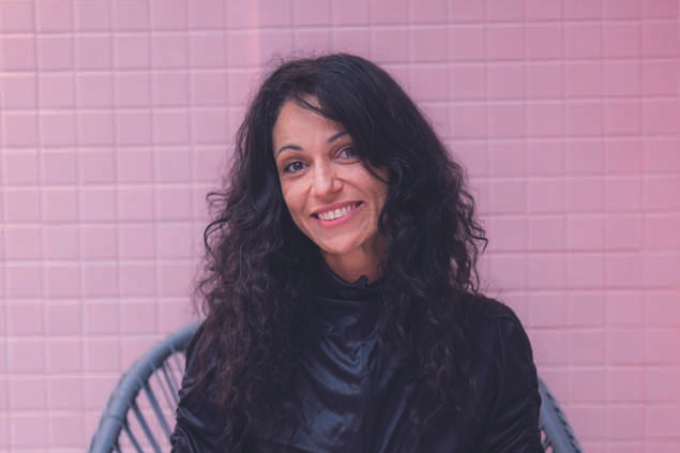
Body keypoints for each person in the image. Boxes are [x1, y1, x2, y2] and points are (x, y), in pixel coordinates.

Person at [170, 53, 542, 453]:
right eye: (295, 165)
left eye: (346, 151)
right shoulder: (232, 346)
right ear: (275, 194)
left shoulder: (490, 340)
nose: (324, 185)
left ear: (398, 164)